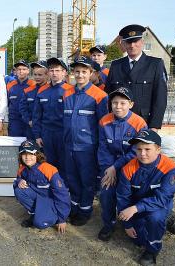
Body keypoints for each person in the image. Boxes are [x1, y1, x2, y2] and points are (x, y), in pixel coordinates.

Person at [117, 130, 175, 265]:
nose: (142, 153)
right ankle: (165, 222)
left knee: (155, 219)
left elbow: (163, 198)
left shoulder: (169, 167)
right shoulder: (128, 168)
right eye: (139, 149)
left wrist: (135, 208)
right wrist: (127, 224)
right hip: (137, 207)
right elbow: (123, 197)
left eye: (147, 149)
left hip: (158, 206)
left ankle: (152, 250)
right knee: (138, 240)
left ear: (158, 149)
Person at [97, 87, 147, 241]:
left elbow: (135, 152)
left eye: (123, 103)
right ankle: (109, 223)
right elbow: (103, 148)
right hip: (109, 166)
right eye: (114, 103)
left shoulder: (139, 123)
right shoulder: (104, 121)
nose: (118, 106)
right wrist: (108, 170)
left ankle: (131, 221)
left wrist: (115, 167)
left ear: (131, 104)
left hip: (131, 168)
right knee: (106, 192)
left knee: (130, 194)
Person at [63, 56, 108, 226]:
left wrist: (99, 148)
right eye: (77, 71)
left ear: (91, 73)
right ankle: (74, 207)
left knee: (87, 180)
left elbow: (103, 125)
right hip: (69, 145)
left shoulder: (100, 96)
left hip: (87, 147)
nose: (80, 75)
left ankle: (85, 210)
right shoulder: (66, 93)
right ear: (73, 73)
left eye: (84, 71)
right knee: (72, 178)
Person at [106, 24, 168, 130]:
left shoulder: (155, 64)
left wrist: (154, 126)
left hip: (144, 123)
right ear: (124, 44)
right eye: (129, 42)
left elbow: (160, 97)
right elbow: (109, 95)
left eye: (136, 41)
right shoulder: (116, 65)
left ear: (142, 42)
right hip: (119, 123)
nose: (132, 45)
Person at [13, 140, 70, 232]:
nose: (27, 158)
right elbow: (17, 180)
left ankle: (54, 216)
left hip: (51, 202)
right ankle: (35, 213)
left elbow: (62, 195)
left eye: (31, 154)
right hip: (39, 200)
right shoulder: (22, 169)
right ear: (20, 156)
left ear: (37, 155)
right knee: (19, 190)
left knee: (39, 223)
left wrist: (62, 219)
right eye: (24, 154)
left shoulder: (48, 169)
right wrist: (19, 181)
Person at [32, 58, 73, 177]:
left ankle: (63, 191)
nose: (54, 73)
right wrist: (37, 135)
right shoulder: (42, 90)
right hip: (47, 134)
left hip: (63, 133)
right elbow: (37, 115)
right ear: (48, 72)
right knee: (48, 163)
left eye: (57, 70)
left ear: (64, 72)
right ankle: (50, 190)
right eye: (51, 70)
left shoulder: (70, 90)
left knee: (64, 164)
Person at [20, 60, 48, 140]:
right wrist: (28, 121)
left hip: (46, 129)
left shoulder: (51, 91)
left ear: (47, 75)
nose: (37, 77)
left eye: (40, 75)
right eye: (35, 74)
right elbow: (22, 108)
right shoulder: (28, 91)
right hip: (30, 128)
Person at [6, 60, 36, 137]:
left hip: (29, 122)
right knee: (14, 145)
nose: (21, 71)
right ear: (15, 71)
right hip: (15, 122)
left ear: (28, 71)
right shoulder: (10, 85)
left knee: (30, 146)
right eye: (19, 69)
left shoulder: (34, 85)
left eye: (24, 69)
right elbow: (7, 103)